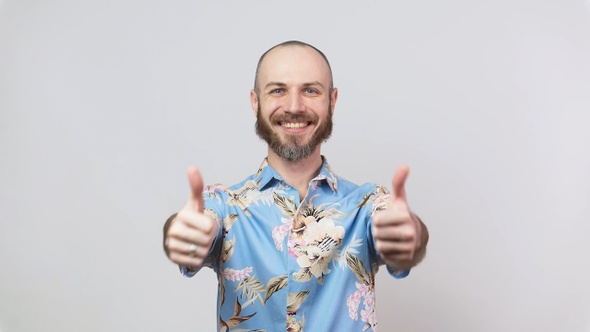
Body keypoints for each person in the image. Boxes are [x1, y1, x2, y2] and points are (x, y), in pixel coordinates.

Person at [163, 40, 429, 332]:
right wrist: (181, 233)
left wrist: (410, 237)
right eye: (278, 90)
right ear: (255, 101)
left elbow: (403, 236)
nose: (294, 106)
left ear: (332, 100)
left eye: (310, 90)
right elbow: (195, 227)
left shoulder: (366, 205)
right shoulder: (223, 205)